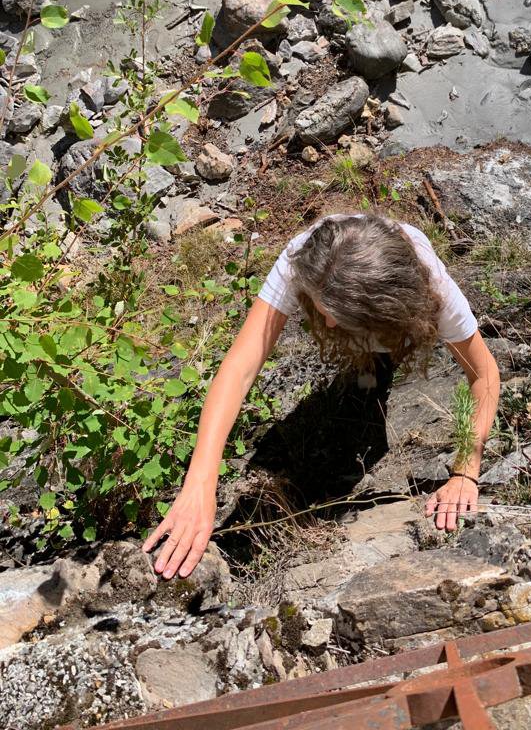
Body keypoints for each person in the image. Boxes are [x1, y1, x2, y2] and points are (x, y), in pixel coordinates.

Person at [143, 212, 500, 579]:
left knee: (381, 352)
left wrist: (465, 472)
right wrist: (200, 481)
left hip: (392, 312)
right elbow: (239, 368)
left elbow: (485, 374)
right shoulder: (304, 258)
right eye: (322, 309)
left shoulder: (433, 286)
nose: (327, 323)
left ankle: (376, 359)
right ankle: (365, 364)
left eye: (336, 315)